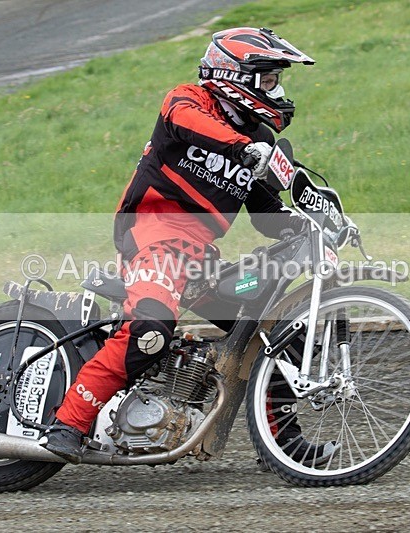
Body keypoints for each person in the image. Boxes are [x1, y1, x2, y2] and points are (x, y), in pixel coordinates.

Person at [41, 27, 333, 466]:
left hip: (198, 256)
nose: (279, 90)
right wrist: (244, 148)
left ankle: (285, 443)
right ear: (236, 75)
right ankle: (69, 424)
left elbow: (264, 210)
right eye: (269, 79)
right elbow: (187, 121)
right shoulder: (188, 101)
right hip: (151, 233)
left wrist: (306, 223)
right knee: (150, 329)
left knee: (276, 333)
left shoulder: (258, 141)